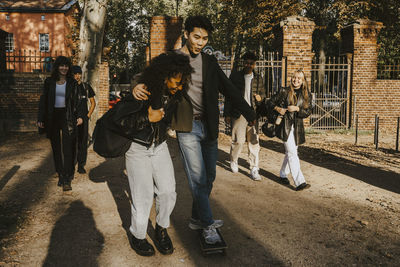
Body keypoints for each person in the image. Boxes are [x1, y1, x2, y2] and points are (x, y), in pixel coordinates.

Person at [133, 16, 256, 244]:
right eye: (196, 37)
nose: (200, 42)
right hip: (186, 127)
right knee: (198, 179)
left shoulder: (209, 62)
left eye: (205, 38)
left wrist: (250, 113)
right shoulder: (173, 59)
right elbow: (147, 75)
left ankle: (196, 218)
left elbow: (229, 89)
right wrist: (137, 85)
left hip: (208, 125)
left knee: (210, 176)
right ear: (186, 34)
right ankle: (208, 225)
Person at [119, 52, 193, 256]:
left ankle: (161, 229)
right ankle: (138, 235)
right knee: (142, 196)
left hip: (159, 146)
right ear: (164, 74)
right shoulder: (142, 87)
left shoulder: (176, 93)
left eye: (181, 83)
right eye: (176, 82)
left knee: (168, 191)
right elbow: (124, 119)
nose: (178, 86)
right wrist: (146, 116)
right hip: (137, 147)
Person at [37, 56, 84, 191]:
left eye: (66, 66)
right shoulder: (49, 82)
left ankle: (67, 178)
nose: (64, 68)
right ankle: (61, 175)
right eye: (61, 66)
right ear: (57, 67)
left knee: (68, 148)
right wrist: (41, 118)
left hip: (67, 116)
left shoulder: (72, 83)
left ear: (68, 67)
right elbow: (43, 101)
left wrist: (80, 116)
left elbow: (79, 101)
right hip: (52, 117)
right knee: (56, 148)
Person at [261, 70, 312, 191]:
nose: (296, 80)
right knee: (292, 153)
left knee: (291, 152)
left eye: (299, 78)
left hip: (297, 127)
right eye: (294, 77)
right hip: (284, 125)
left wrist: (297, 109)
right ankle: (300, 182)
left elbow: (308, 112)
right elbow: (269, 102)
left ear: (303, 80)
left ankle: (283, 174)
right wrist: (279, 109)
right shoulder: (284, 91)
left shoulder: (306, 95)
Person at [224, 52, 264, 180]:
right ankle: (234, 160)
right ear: (243, 63)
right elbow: (228, 95)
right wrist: (227, 113)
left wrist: (260, 99)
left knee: (253, 142)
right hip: (239, 112)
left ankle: (254, 168)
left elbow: (263, 96)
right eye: (246, 62)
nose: (248, 65)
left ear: (254, 64)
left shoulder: (258, 78)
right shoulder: (235, 77)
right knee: (239, 141)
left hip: (253, 113)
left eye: (251, 63)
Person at [72, 65, 96, 174]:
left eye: (79, 74)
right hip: (72, 119)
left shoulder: (86, 87)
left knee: (82, 143)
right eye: (75, 74)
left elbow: (93, 103)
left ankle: (81, 165)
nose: (77, 76)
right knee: (72, 142)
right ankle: (71, 164)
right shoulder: (69, 87)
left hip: (84, 120)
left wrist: (87, 116)